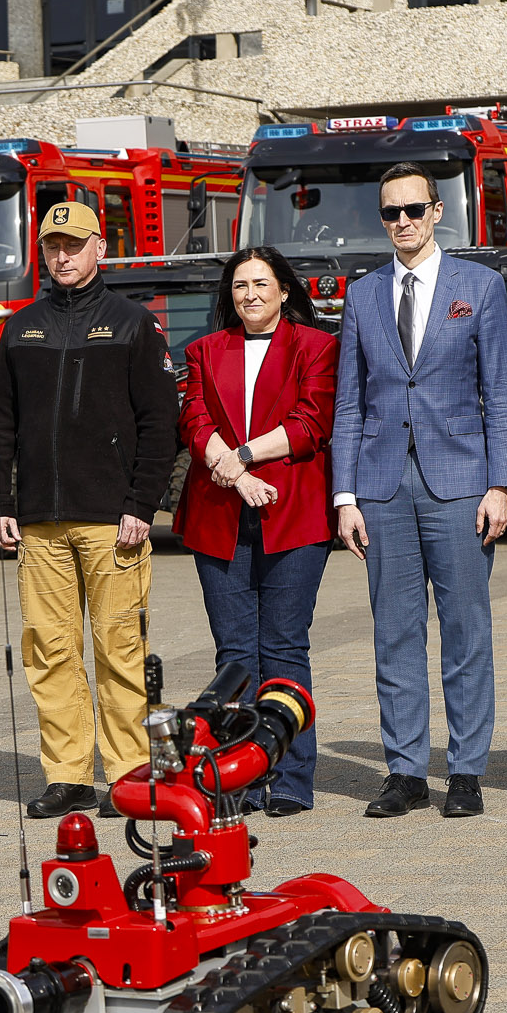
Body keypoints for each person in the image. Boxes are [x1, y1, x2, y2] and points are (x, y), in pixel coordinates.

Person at [0, 200, 179, 822]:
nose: (62, 256)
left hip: (113, 520)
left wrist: (143, 503)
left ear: (100, 249)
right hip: (39, 520)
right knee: (50, 649)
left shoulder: (132, 324)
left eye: (73, 244)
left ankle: (126, 773)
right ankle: (68, 776)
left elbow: (159, 422)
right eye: (52, 246)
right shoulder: (21, 328)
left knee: (119, 648)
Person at [331, 161, 507, 819]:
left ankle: (465, 771)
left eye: (415, 209)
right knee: (395, 633)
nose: (404, 221)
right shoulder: (362, 295)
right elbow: (348, 403)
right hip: (383, 487)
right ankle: (405, 771)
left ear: (438, 212)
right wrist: (344, 496)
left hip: (461, 483)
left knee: (465, 629)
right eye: (392, 212)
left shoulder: (482, 286)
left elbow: (500, 392)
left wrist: (501, 484)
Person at [174, 247, 339, 815]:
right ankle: (236, 777)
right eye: (239, 285)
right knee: (235, 654)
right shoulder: (202, 350)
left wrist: (240, 458)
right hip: (219, 516)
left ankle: (292, 775)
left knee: (285, 647)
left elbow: (311, 422)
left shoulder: (316, 347)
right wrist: (234, 473)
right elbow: (193, 418)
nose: (248, 294)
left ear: (284, 291)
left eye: (260, 283)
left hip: (293, 514)